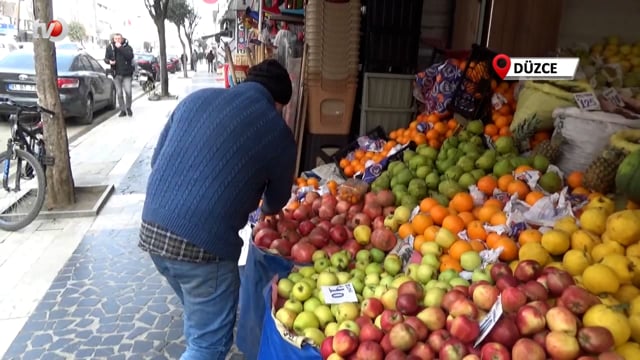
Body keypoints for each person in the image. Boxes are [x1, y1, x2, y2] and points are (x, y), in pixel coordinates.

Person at [139, 59, 296, 360]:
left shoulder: (196, 99)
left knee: (201, 321)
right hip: (203, 248)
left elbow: (157, 159)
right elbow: (276, 202)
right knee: (207, 345)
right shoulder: (276, 130)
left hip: (153, 229)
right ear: (278, 103)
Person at [104, 33, 134, 117]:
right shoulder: (110, 48)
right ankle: (122, 110)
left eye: (119, 38)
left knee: (128, 92)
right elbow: (106, 58)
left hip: (126, 74)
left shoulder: (127, 47)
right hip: (116, 74)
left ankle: (128, 107)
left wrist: (120, 47)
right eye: (115, 39)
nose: (117, 40)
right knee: (119, 93)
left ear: (122, 39)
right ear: (113, 39)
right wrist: (109, 61)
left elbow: (130, 56)